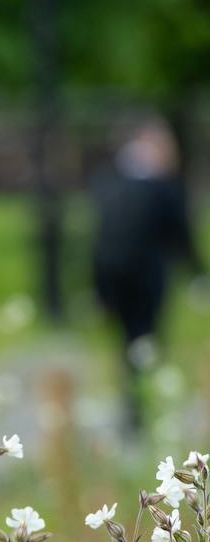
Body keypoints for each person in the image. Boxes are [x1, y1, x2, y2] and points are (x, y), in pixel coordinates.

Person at [90, 118, 205, 433]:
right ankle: (145, 410)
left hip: (115, 277)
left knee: (128, 344)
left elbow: (99, 239)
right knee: (148, 343)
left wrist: (99, 290)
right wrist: (197, 275)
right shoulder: (165, 187)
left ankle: (133, 409)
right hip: (148, 279)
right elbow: (181, 236)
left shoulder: (109, 180)